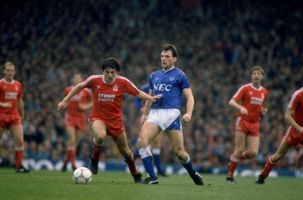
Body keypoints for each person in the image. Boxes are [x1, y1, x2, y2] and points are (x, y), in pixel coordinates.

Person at [58, 57, 161, 183]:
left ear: (117, 72)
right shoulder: (95, 80)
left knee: (126, 152)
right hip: (98, 118)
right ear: (103, 71)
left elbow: (138, 93)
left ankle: (135, 174)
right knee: (100, 136)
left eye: (112, 72)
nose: (110, 75)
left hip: (116, 121)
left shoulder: (123, 82)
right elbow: (79, 86)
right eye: (107, 72)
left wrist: (151, 98)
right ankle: (94, 159)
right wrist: (64, 101)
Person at [137, 44, 204, 185]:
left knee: (179, 152)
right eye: (162, 56)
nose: (163, 59)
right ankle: (153, 177)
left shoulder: (180, 75)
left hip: (171, 114)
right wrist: (145, 113)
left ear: (174, 59)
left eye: (167, 56)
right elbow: (150, 96)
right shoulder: (154, 75)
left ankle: (193, 173)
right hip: (155, 114)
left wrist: (189, 113)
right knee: (142, 141)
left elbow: (190, 97)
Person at [256, 68, 303, 187]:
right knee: (278, 155)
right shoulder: (298, 94)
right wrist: (299, 128)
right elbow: (287, 116)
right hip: (296, 130)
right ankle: (262, 176)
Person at [226, 66, 268, 183]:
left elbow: (262, 106)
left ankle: (233, 161)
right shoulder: (245, 88)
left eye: (259, 73)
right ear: (251, 76)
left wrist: (263, 110)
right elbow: (231, 102)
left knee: (253, 153)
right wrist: (241, 108)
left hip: (255, 123)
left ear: (262, 76)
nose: (256, 75)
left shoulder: (265, 92)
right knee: (239, 149)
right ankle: (230, 176)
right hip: (243, 121)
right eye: (254, 73)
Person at [0, 61, 29, 173]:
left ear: (14, 72)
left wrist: (22, 115)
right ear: (4, 71)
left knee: (20, 141)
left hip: (14, 116)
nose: (10, 72)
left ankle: (19, 166)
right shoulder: (0, 84)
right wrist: (2, 104)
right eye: (8, 70)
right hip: (1, 115)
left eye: (12, 70)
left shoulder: (18, 85)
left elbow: (20, 100)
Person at [133, 83, 167, 177]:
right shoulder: (146, 87)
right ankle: (133, 157)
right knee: (147, 142)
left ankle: (158, 170)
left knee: (157, 144)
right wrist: (141, 108)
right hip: (149, 116)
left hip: (159, 115)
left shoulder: (165, 87)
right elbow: (137, 98)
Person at [61, 73, 92, 172]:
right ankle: (73, 164)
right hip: (70, 117)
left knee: (74, 143)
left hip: (81, 118)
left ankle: (65, 162)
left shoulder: (86, 91)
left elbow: (93, 102)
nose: (76, 80)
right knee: (72, 140)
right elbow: (65, 101)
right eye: (75, 78)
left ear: (81, 80)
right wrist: (64, 106)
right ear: (73, 80)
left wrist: (85, 107)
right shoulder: (68, 90)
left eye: (78, 78)